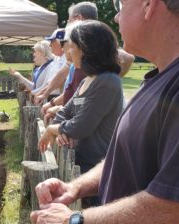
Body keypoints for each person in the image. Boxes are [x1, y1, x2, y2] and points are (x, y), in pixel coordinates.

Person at [31, 0, 179, 223]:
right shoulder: (172, 73)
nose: (116, 17)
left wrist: (75, 220)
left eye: (120, 4)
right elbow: (125, 155)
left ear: (149, 5)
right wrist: (75, 187)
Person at [38, 20, 124, 207]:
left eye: (73, 47)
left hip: (96, 168)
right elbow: (66, 112)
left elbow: (81, 126)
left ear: (87, 50)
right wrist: (61, 130)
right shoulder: (88, 79)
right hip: (81, 163)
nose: (69, 52)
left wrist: (54, 129)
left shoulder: (108, 82)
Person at [39, 1, 135, 118]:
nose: (67, 23)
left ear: (78, 18)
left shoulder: (96, 41)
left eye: (69, 20)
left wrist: (104, 82)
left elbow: (127, 57)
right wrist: (47, 94)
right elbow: (65, 72)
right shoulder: (80, 50)